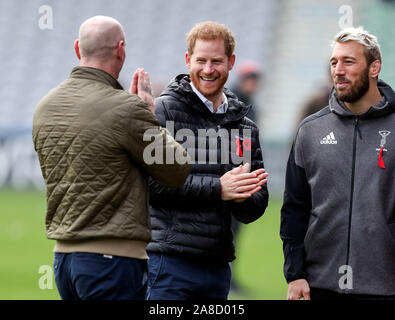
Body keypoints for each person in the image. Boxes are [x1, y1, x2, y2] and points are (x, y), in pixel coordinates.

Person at [32, 16, 190, 300]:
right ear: (121, 49)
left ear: (78, 49)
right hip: (112, 260)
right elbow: (176, 170)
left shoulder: (45, 106)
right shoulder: (127, 109)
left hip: (64, 259)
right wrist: (148, 114)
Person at [145, 21, 269, 300]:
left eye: (217, 61)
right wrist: (220, 189)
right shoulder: (163, 111)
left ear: (231, 62)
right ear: (188, 60)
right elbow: (152, 185)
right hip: (169, 265)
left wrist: (244, 197)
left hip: (218, 268)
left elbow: (255, 205)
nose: (208, 69)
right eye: (201, 60)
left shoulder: (244, 126)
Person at [280, 27, 395, 300]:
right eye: (334, 62)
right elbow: (294, 209)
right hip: (320, 286)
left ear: (374, 67)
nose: (338, 70)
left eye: (349, 62)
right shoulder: (310, 130)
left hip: (386, 288)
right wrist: (295, 274)